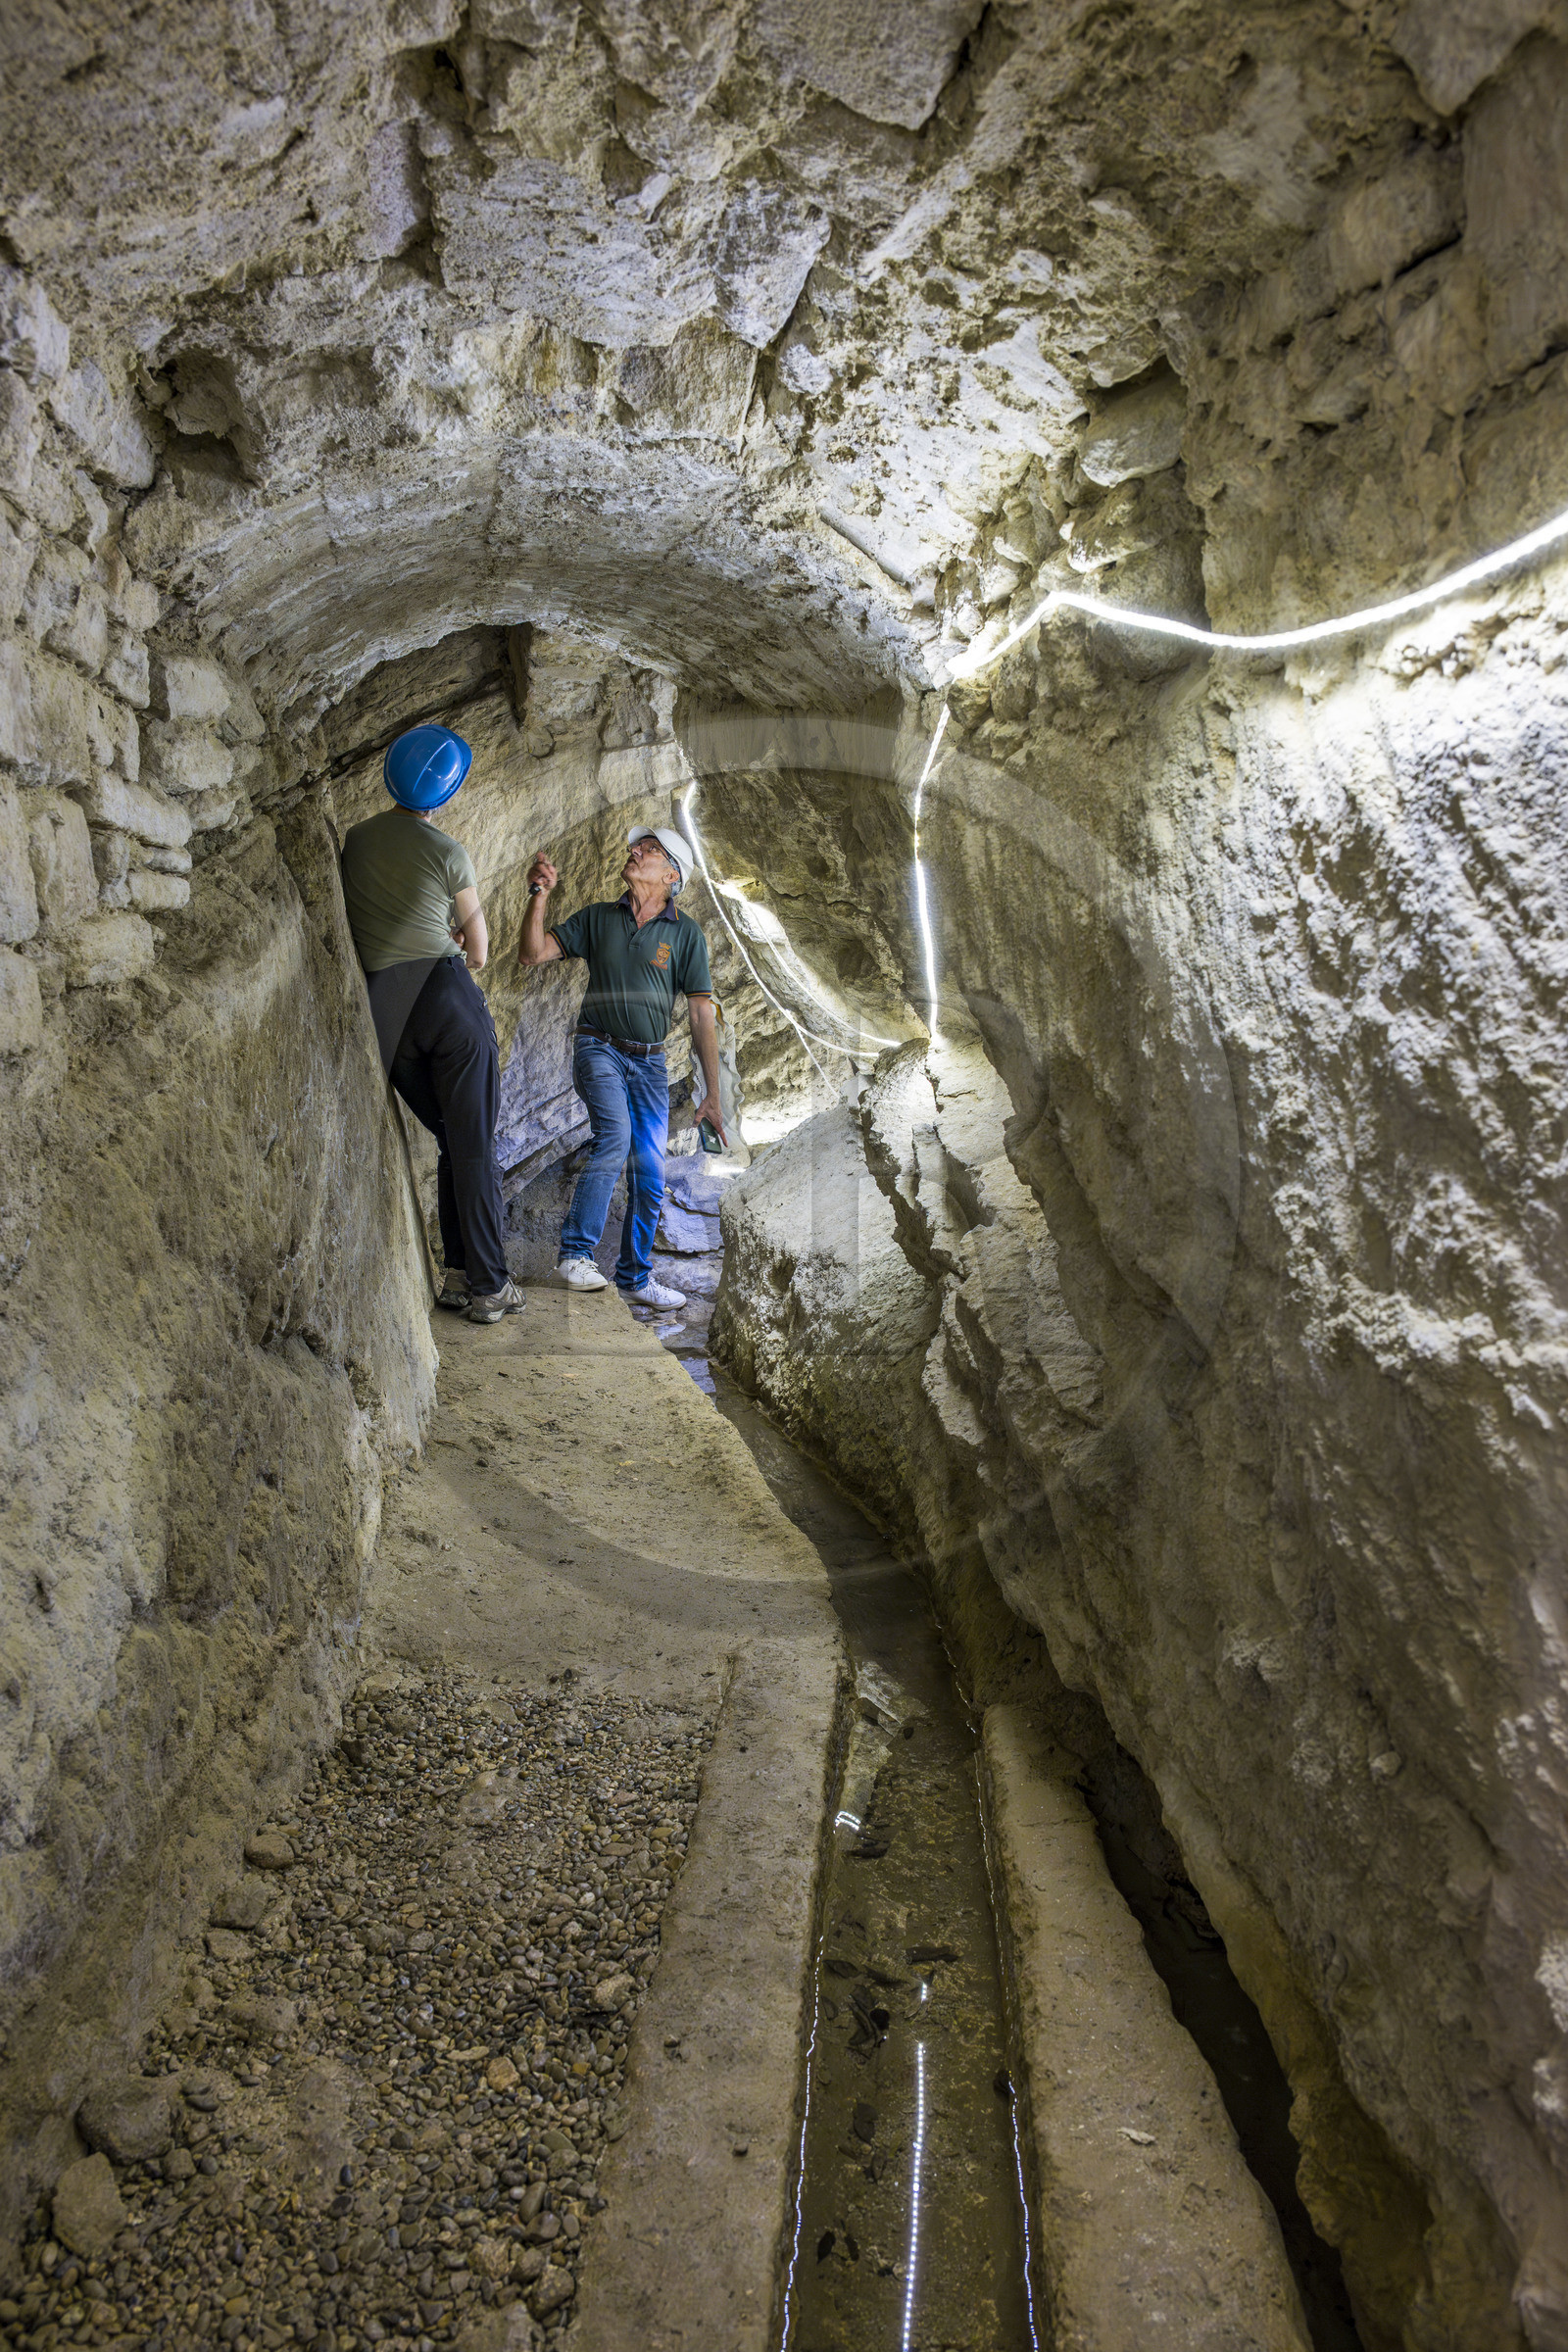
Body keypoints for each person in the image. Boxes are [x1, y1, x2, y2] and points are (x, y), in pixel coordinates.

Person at [339, 724, 525, 1326]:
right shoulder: (448, 851)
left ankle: (456, 1275)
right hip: (446, 999)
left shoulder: (357, 840)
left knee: (451, 1138)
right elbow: (480, 949)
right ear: (443, 794)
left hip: (386, 1013)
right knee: (474, 1146)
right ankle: (492, 1287)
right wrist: (454, 934)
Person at [517, 823, 725, 1308]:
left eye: (649, 850)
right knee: (614, 1137)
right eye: (637, 846)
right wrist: (539, 894)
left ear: (672, 874)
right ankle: (575, 1254)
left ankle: (635, 1278)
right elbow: (532, 953)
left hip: (650, 1065)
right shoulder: (599, 918)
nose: (634, 851)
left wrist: (713, 1094)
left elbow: (701, 1013)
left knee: (649, 1173)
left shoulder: (686, 934)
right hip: (599, 1048)